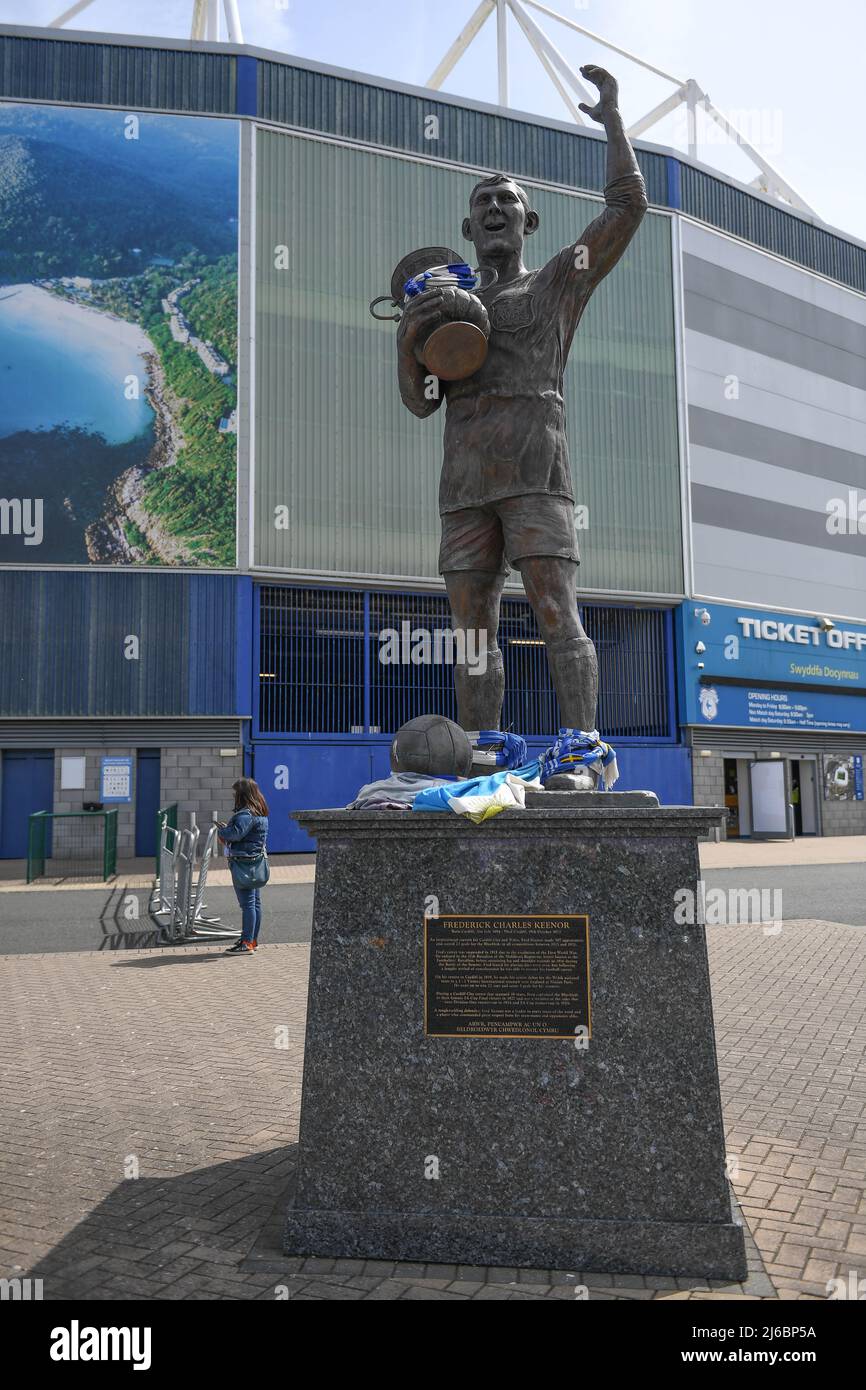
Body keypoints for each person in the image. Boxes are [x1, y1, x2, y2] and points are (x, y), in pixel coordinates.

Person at [396, 64, 647, 756]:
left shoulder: (560, 280)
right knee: (473, 630)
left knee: (556, 612)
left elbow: (628, 205)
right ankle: (483, 748)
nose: (495, 208)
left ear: (529, 220)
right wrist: (406, 338)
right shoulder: (447, 310)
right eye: (484, 203)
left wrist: (614, 120)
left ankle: (582, 749)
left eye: (507, 200)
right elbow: (419, 403)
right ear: (468, 227)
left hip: (537, 472)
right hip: (464, 487)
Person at [217, 778, 269, 956]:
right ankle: (252, 940)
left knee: (247, 904)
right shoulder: (260, 813)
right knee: (254, 904)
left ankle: (246, 943)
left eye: (235, 794)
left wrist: (222, 831)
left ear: (242, 795)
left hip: (244, 865)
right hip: (255, 863)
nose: (233, 797)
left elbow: (235, 834)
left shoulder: (246, 815)